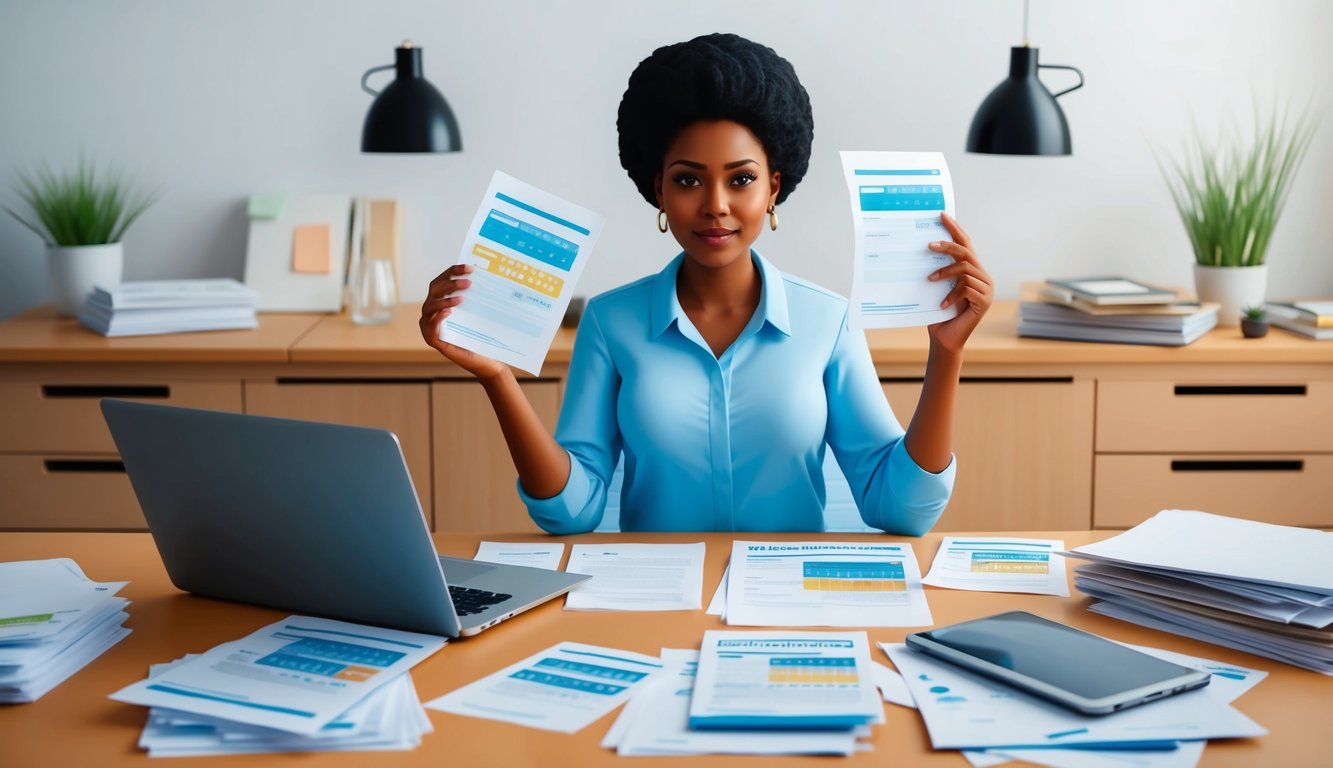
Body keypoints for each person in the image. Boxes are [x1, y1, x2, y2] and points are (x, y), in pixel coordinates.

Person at [420, 33, 992, 535]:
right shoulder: (610, 321)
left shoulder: (828, 321)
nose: (715, 206)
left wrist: (946, 353)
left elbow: (902, 509)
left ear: (773, 188)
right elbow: (574, 512)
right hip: (648, 599)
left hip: (787, 606)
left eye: (740, 179)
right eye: (688, 179)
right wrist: (496, 375)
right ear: (659, 192)